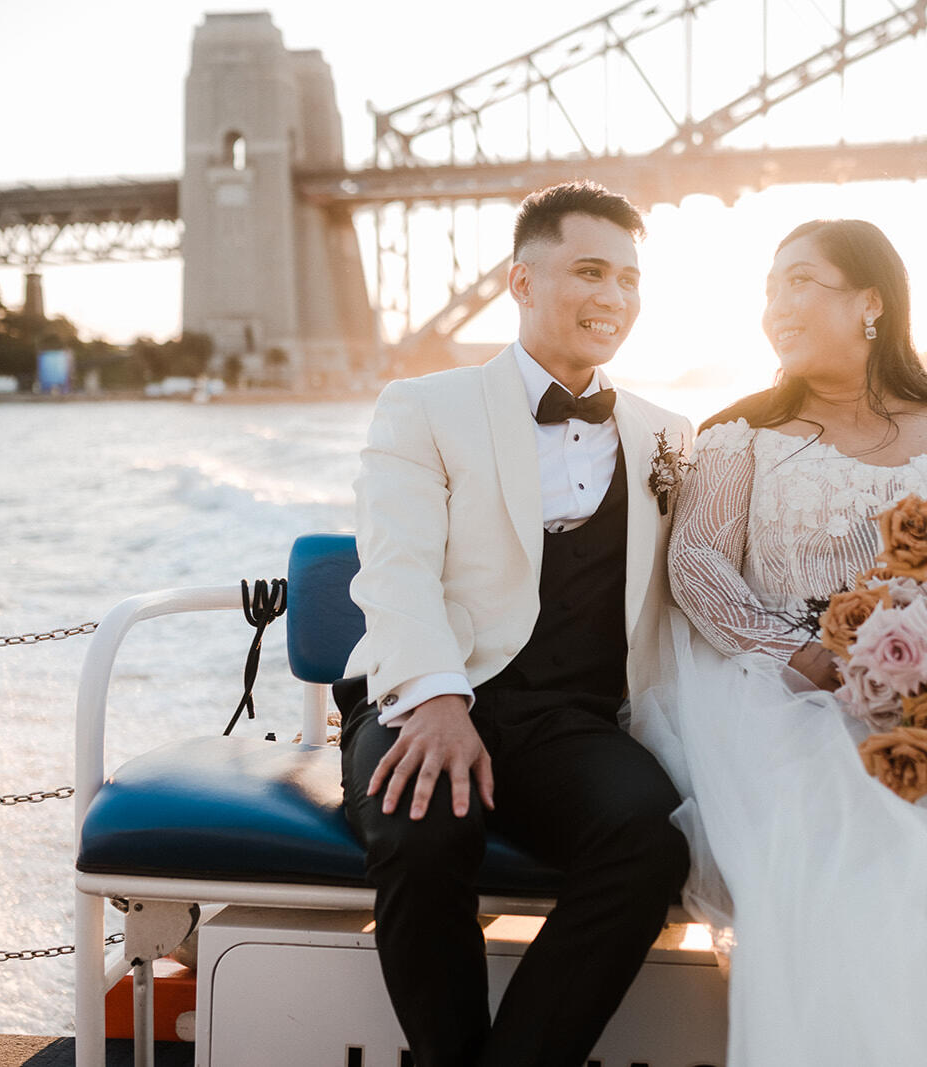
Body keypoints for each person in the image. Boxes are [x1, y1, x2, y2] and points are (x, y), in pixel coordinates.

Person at [628, 218, 927, 1064]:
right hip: (774, 695)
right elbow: (697, 566)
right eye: (767, 289)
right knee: (850, 820)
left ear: (870, 302)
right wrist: (811, 656)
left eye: (799, 282)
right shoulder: (740, 435)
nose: (775, 307)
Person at [334, 180, 693, 1067]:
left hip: (571, 723)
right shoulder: (423, 406)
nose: (612, 298)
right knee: (422, 827)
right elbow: (398, 565)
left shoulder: (668, 435)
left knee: (649, 836)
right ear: (521, 282)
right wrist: (437, 700)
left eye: (628, 279)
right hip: (422, 695)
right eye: (588, 271)